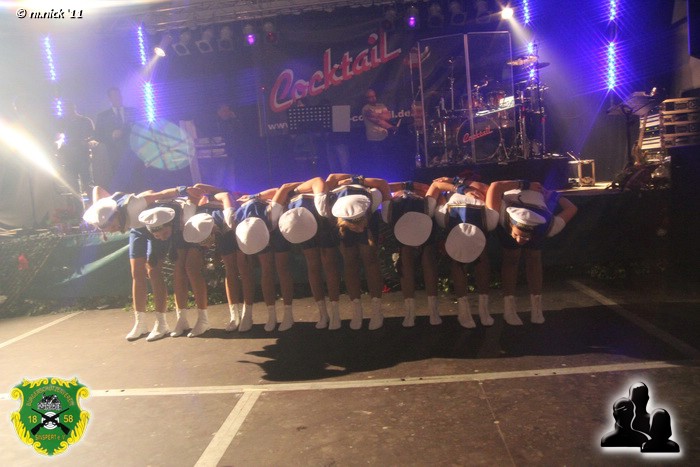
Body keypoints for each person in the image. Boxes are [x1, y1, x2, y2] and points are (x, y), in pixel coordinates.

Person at [82, 184, 200, 341]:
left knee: (153, 271)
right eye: (109, 229)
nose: (113, 230)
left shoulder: (133, 205)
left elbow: (157, 193)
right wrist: (99, 205)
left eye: (113, 226)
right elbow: (97, 189)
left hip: (153, 224)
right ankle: (140, 323)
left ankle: (161, 323)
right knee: (136, 272)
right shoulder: (104, 212)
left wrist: (181, 189)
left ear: (117, 214)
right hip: (137, 229)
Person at [486, 179, 578, 325]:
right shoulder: (500, 213)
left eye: (525, 237)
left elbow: (572, 208)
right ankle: (509, 309)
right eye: (517, 235)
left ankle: (537, 309)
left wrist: (552, 195)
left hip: (537, 207)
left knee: (534, 258)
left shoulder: (548, 227)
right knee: (511, 258)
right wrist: (525, 185)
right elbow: (495, 186)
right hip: (514, 193)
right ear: (511, 224)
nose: (519, 240)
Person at [429, 176, 498, 328]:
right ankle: (463, 311)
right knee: (458, 260)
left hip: (477, 220)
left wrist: (459, 183)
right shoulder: (443, 215)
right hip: (454, 217)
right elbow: (436, 185)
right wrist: (460, 188)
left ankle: (484, 309)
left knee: (481, 258)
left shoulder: (490, 218)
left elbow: (487, 188)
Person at [275, 177, 342, 329]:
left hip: (321, 219)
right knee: (313, 266)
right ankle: (323, 314)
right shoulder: (285, 192)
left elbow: (318, 180)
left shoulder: (301, 187)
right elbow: (282, 188)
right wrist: (287, 192)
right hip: (302, 224)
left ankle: (335, 313)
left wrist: (293, 190)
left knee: (329, 265)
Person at [326, 173, 391, 330]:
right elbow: (331, 177)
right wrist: (344, 180)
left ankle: (376, 310)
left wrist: (356, 179)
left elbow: (382, 183)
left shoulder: (370, 195)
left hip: (364, 213)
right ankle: (357, 311)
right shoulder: (332, 202)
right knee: (349, 263)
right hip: (342, 219)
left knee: (370, 260)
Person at [181, 189, 243, 335]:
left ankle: (235, 314)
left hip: (223, 226)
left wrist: (213, 196)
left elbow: (226, 195)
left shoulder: (226, 215)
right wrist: (203, 195)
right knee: (190, 266)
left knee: (231, 267)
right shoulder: (193, 214)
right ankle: (202, 319)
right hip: (199, 228)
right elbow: (197, 189)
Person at [384, 180, 440, 327]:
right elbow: (385, 186)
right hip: (400, 215)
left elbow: (428, 188)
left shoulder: (422, 192)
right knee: (405, 258)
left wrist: (413, 186)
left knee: (428, 259)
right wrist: (405, 186)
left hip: (422, 213)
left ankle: (433, 310)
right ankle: (410, 311)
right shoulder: (397, 195)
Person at [94, 87, 139, 191]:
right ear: (110, 99)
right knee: (120, 183)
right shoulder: (103, 116)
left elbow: (142, 129)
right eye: (114, 96)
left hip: (133, 153)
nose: (117, 98)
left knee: (136, 180)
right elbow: (97, 135)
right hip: (115, 155)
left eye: (118, 95)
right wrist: (111, 135)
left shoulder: (133, 112)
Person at [56, 102, 95, 194]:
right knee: (74, 183)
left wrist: (85, 142)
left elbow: (94, 135)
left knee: (86, 181)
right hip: (69, 155)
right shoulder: (63, 122)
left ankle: (89, 200)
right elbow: (57, 137)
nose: (67, 111)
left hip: (82, 154)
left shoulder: (85, 121)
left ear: (73, 108)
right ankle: (78, 202)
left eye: (68, 108)